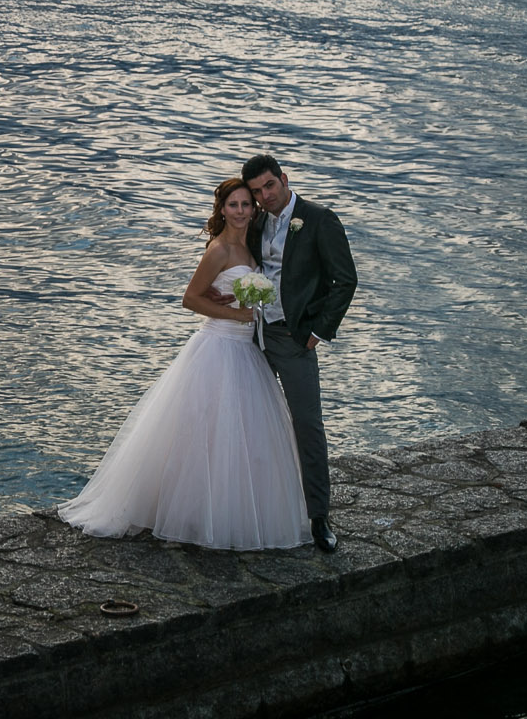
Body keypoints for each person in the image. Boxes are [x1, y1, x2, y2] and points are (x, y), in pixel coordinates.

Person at [57, 178, 310, 550]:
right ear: (221, 209)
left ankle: (231, 515)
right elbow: (190, 299)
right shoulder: (220, 250)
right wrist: (239, 317)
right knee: (204, 436)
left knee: (243, 440)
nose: (241, 211)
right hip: (217, 348)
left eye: (246, 204)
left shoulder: (252, 243)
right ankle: (188, 516)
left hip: (246, 353)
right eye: (234, 205)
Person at [234, 154, 357, 554]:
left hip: (294, 339)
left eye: (269, 186)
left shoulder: (319, 219)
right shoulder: (254, 221)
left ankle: (319, 516)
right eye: (256, 191)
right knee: (248, 422)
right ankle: (252, 509)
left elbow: (345, 280)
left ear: (284, 179)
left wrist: (317, 333)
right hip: (252, 337)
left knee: (307, 426)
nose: (264, 196)